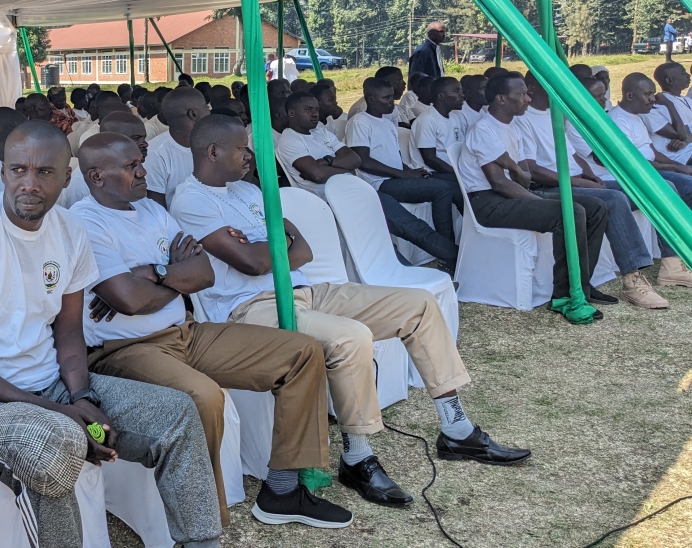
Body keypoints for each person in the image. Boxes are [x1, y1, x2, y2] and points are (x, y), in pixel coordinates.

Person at [172, 115, 530, 505]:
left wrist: (268, 246)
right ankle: (358, 456)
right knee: (350, 336)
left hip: (306, 290)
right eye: (242, 147)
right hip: (251, 308)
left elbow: (301, 249)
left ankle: (456, 429)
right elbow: (253, 264)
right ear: (213, 151)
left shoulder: (248, 192)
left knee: (420, 305)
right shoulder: (191, 199)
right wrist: (273, 245)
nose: (250, 155)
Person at [0, 120, 223, 548]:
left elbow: (67, 335)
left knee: (175, 413)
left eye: (44, 172)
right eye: (17, 170)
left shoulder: (69, 231)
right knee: (55, 444)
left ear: (67, 178)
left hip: (50, 385)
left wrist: (81, 397)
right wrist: (57, 412)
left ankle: (200, 542)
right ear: (3, 171)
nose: (29, 183)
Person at [72, 132, 348, 529]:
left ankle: (283, 490)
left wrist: (152, 273)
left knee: (302, 353)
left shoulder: (152, 211)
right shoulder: (84, 222)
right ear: (97, 176)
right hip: (126, 349)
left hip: (185, 332)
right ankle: (206, 525)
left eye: (141, 161)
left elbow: (201, 274)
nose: (143, 171)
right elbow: (127, 301)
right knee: (203, 396)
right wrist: (167, 274)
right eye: (131, 166)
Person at [457, 72, 609, 317]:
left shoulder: (510, 129)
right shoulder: (484, 129)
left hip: (511, 195)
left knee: (595, 206)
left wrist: (515, 168)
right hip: (488, 203)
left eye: (527, 93)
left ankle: (581, 285)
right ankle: (563, 296)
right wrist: (533, 194)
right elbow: (499, 184)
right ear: (501, 99)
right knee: (567, 212)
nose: (528, 99)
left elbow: (523, 176)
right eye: (521, 94)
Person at [513, 73, 668, 308]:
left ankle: (672, 263)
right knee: (614, 199)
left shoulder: (551, 114)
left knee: (643, 191)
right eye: (552, 84)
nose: (559, 90)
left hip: (576, 181)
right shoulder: (522, 120)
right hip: (551, 187)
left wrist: (590, 175)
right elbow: (533, 170)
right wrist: (579, 182)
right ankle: (632, 280)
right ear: (533, 88)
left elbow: (572, 154)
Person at [346, 76, 461, 270]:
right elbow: (363, 161)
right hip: (378, 184)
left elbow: (393, 157)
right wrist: (403, 175)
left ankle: (450, 249)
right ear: (371, 99)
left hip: (395, 178)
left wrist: (410, 170)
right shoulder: (360, 122)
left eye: (392, 97)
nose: (392, 102)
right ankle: (450, 254)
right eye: (386, 98)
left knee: (446, 186)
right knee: (440, 189)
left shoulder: (387, 122)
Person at [602, 72, 692, 287]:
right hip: (632, 175)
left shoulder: (638, 116)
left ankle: (685, 248)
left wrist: (680, 167)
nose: (653, 98)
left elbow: (650, 151)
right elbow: (634, 163)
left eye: (652, 93)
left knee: (685, 181)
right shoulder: (617, 120)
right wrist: (676, 169)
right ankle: (672, 264)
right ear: (630, 95)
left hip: (648, 169)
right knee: (673, 187)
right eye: (648, 94)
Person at [276, 92, 358, 198]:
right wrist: (348, 171)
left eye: (317, 109)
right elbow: (317, 175)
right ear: (292, 113)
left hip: (348, 188)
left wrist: (327, 161)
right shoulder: (290, 139)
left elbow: (355, 159)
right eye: (308, 109)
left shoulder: (322, 132)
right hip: (328, 198)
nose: (315, 114)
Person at [144, 87, 206, 208]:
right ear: (193, 114)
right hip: (177, 224)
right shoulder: (156, 153)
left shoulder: (209, 145)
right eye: (206, 107)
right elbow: (157, 210)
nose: (209, 111)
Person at [412, 76, 466, 176]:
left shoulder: (456, 117)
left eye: (461, 91)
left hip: (452, 170)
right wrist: (458, 174)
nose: (462, 95)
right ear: (441, 96)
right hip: (433, 173)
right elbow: (430, 159)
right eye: (456, 91)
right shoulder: (427, 119)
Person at [643, 61, 692, 164]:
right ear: (669, 80)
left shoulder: (686, 100)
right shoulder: (661, 104)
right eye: (683, 74)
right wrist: (669, 104)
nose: (688, 75)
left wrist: (687, 141)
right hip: (682, 156)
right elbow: (684, 134)